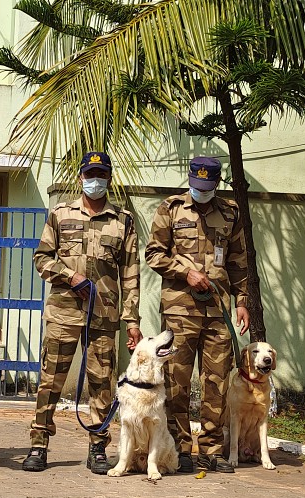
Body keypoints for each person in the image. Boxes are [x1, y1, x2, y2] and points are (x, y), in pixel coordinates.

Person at [23, 151, 142, 474]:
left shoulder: (123, 221)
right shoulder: (60, 215)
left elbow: (131, 273)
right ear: (80, 178)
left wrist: (132, 320)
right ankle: (39, 445)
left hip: (103, 316)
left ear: (110, 179)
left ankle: (98, 447)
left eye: (101, 174)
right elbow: (41, 260)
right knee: (50, 381)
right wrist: (70, 276)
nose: (95, 180)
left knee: (102, 384)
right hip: (63, 313)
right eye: (90, 174)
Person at [145, 156, 250, 474]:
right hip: (179, 310)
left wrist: (242, 300)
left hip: (217, 311)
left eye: (206, 187)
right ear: (189, 180)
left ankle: (212, 449)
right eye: (196, 186)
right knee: (177, 381)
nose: (200, 192)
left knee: (216, 382)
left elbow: (239, 261)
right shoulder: (171, 208)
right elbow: (153, 253)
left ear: (216, 184)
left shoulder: (230, 211)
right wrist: (185, 272)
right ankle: (180, 446)